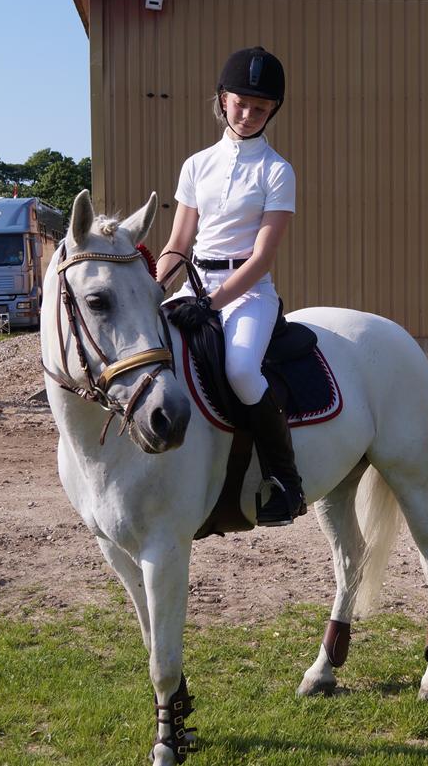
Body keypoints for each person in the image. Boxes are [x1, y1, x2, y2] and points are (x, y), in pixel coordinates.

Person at [155, 45, 303, 528]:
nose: (247, 114)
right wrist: (156, 289)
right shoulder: (196, 165)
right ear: (222, 99)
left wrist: (212, 303)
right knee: (151, 352)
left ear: (272, 112)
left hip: (247, 292)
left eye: (259, 109)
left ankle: (284, 480)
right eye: (240, 103)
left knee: (241, 370)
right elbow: (178, 243)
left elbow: (261, 257)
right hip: (196, 281)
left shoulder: (277, 172)